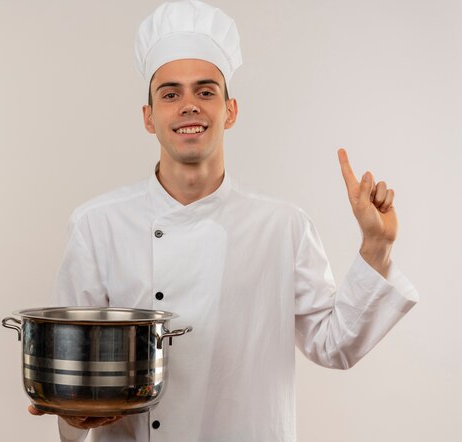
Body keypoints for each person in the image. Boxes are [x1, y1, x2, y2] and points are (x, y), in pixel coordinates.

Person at [29, 1, 419, 441]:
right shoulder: (97, 225)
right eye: (170, 93)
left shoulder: (282, 225)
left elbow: (335, 346)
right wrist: (72, 412)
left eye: (206, 91)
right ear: (148, 117)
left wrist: (376, 247)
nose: (188, 106)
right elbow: (74, 370)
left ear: (230, 111)